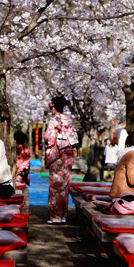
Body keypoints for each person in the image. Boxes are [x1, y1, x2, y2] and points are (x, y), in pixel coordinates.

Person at [44, 96, 78, 224]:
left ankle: (55, 217)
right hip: (67, 156)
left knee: (54, 187)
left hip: (57, 156)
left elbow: (50, 138)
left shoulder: (54, 120)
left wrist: (47, 137)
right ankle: (63, 215)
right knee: (64, 186)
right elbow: (74, 138)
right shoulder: (69, 120)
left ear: (53, 106)